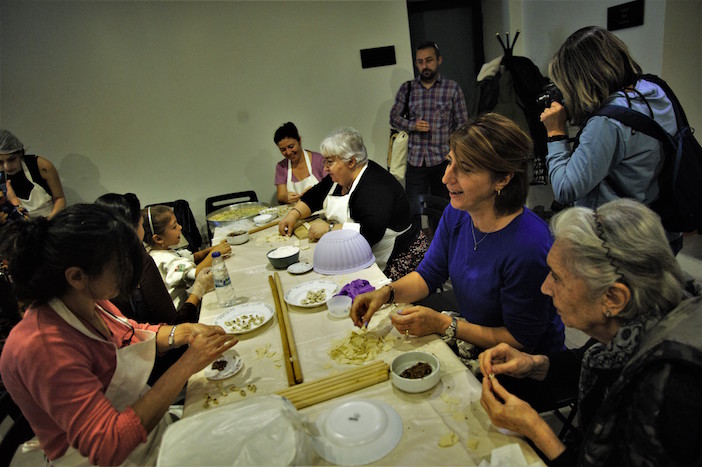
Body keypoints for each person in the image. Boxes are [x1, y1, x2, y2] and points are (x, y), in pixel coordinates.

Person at [0, 204, 237, 465]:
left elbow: (130, 332)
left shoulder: (87, 299)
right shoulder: (43, 346)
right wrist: (187, 364)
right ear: (77, 276)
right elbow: (108, 443)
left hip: (146, 428)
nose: (128, 275)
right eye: (118, 266)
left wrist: (180, 332)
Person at [479, 198, 701, 466]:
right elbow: (589, 361)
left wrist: (537, 431)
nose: (545, 288)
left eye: (557, 277)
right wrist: (536, 364)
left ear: (613, 298)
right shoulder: (635, 323)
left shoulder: (671, 391)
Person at [351, 114, 564, 370]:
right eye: (450, 163)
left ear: (502, 179)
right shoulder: (459, 213)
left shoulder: (528, 245)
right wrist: (386, 293)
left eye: (466, 168)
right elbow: (429, 274)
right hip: (474, 329)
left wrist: (444, 325)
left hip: (521, 364)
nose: (445, 178)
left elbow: (522, 341)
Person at [540, 26, 681, 252]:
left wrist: (555, 132)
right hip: (662, 228)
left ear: (581, 80)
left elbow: (566, 188)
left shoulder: (607, 123)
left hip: (621, 243)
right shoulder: (655, 89)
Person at [278, 127, 428, 281]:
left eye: (330, 162)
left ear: (351, 162)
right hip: (363, 251)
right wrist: (293, 214)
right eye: (325, 161)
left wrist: (330, 229)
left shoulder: (375, 185)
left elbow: (371, 232)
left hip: (400, 258)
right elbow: (315, 196)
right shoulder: (340, 177)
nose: (325, 168)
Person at [96, 193, 214, 384]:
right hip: (157, 365)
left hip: (142, 353)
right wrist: (198, 290)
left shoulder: (106, 264)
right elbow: (172, 323)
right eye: (141, 225)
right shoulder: (140, 262)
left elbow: (133, 329)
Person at [390, 41, 468, 230]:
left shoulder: (452, 89)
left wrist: (457, 156)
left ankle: (444, 245)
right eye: (420, 62)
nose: (425, 65)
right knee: (413, 210)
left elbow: (463, 125)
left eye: (429, 60)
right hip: (416, 161)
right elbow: (393, 118)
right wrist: (412, 125)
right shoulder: (407, 89)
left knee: (443, 209)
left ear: (439, 60)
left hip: (443, 161)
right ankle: (416, 248)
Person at [143, 205, 230, 309]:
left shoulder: (159, 251)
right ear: (158, 239)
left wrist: (212, 248)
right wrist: (214, 255)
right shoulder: (164, 259)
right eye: (174, 227)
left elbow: (192, 257)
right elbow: (196, 273)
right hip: (182, 311)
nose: (180, 227)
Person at [0, 129, 66, 219]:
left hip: (51, 222)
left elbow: (59, 198)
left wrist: (47, 221)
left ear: (20, 153)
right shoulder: (1, 180)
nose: (7, 167)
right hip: (19, 228)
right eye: (0, 162)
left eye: (12, 159)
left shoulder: (41, 166)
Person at [274, 122, 326, 204]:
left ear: (299, 141)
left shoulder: (319, 160)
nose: (288, 152)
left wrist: (315, 190)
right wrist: (286, 198)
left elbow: (332, 185)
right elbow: (281, 197)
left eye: (291, 147)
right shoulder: (281, 167)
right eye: (283, 150)